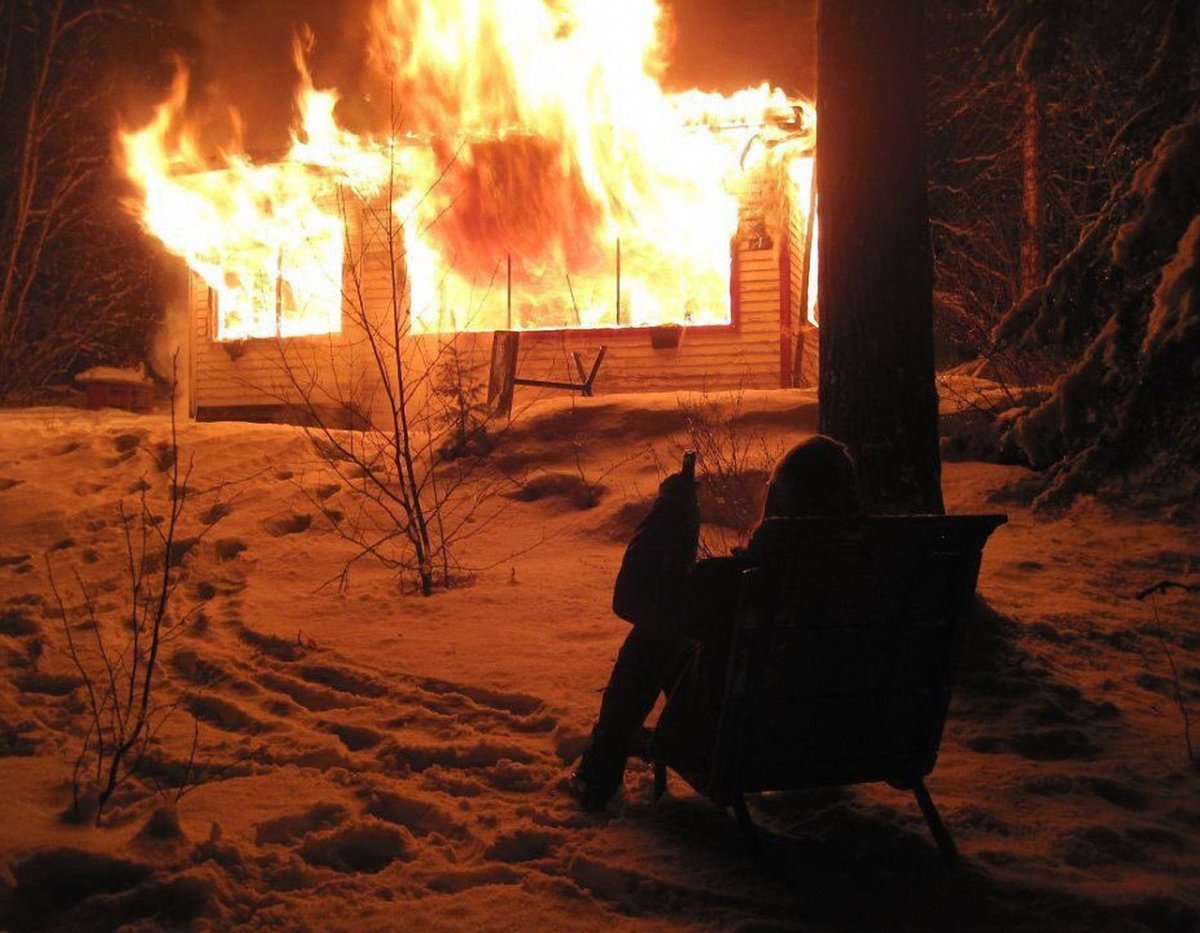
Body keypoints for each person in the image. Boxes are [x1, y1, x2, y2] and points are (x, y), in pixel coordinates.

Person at [570, 434, 862, 812]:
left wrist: (671, 514)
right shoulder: (879, 578)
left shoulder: (748, 583)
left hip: (743, 744)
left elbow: (633, 598)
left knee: (653, 635)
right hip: (843, 741)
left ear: (778, 502)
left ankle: (599, 771)